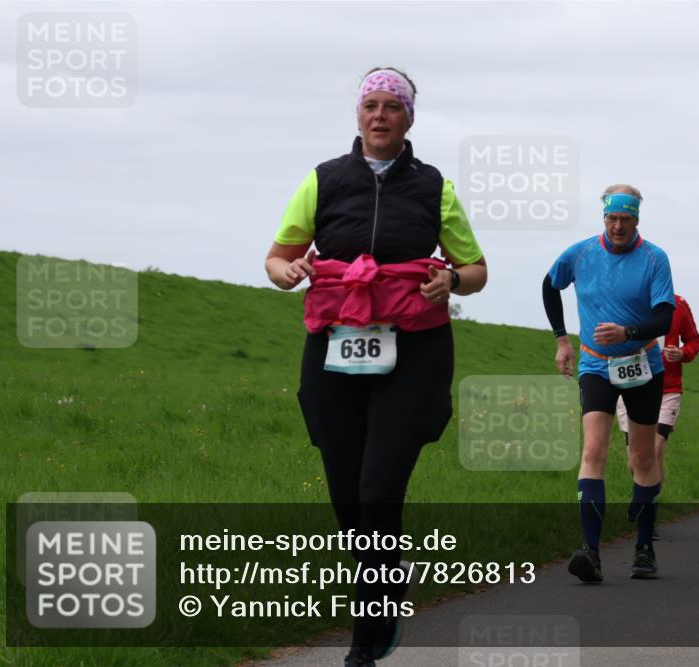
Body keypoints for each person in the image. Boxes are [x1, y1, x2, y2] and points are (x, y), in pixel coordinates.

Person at [265, 67, 487, 667]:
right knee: (346, 497)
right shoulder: (324, 180)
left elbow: (475, 269)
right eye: (371, 105)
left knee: (378, 491)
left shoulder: (434, 187)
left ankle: (367, 636)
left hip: (413, 351)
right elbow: (278, 257)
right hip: (334, 346)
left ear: (409, 118)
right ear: (358, 115)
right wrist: (288, 272)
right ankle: (389, 571)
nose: (380, 115)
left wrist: (451, 280)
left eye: (393, 106)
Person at [543, 185, 674, 581]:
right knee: (593, 450)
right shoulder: (580, 253)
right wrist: (562, 340)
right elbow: (550, 285)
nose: (618, 226)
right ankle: (591, 553)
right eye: (612, 218)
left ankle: (645, 548)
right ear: (603, 218)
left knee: (643, 458)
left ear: (636, 220)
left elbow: (664, 318)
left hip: (642, 364)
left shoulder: (654, 258)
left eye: (626, 219)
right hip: (596, 365)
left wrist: (627, 331)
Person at [615, 293, 699, 540]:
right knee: (636, 455)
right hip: (630, 385)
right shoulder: (624, 298)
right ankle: (641, 498)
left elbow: (694, 340)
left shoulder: (678, 305)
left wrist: (682, 353)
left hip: (667, 389)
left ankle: (647, 513)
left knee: (655, 447)